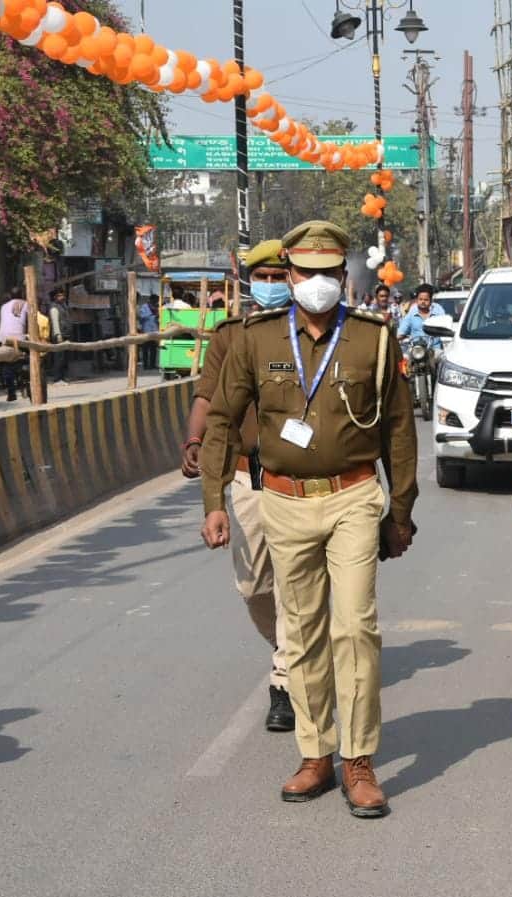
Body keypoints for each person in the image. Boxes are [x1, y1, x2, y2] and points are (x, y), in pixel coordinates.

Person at [200, 220, 417, 818]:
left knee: (355, 626)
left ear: (342, 275)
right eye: (305, 272)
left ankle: (359, 759)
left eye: (327, 273)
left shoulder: (374, 338)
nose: (315, 282)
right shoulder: (254, 338)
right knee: (300, 632)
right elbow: (221, 419)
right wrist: (215, 501)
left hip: (353, 497)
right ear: (291, 275)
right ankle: (315, 753)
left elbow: (400, 429)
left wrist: (401, 510)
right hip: (283, 501)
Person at [183, 241, 297, 733]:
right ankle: (290, 647)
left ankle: (285, 681)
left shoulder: (312, 333)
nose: (271, 285)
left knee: (294, 581)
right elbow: (207, 398)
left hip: (300, 478)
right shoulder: (231, 336)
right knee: (254, 586)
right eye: (263, 277)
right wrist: (195, 439)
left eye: (279, 276)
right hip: (250, 478)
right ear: (251, 283)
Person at [0, 288, 30, 402]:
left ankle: (11, 392)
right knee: (27, 358)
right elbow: (30, 323)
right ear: (22, 294)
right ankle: (25, 382)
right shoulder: (27, 304)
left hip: (3, 339)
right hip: (19, 338)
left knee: (7, 364)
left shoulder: (3, 306)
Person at [396, 283, 446, 350]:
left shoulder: (438, 310)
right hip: (416, 350)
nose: (423, 302)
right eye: (420, 299)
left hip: (435, 350)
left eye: (426, 300)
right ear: (417, 300)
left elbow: (446, 329)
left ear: (431, 300)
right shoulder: (412, 313)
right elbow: (401, 332)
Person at [47, 288, 70, 383]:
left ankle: (63, 376)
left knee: (64, 357)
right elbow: (55, 322)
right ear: (55, 297)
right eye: (60, 295)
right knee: (59, 357)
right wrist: (58, 335)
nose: (62, 297)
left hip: (65, 334)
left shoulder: (63, 306)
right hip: (59, 336)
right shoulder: (54, 308)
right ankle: (57, 378)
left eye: (63, 295)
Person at [138, 296, 160, 371]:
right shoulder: (144, 307)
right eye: (155, 300)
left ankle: (152, 364)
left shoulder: (157, 307)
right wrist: (152, 314)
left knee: (153, 349)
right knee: (145, 349)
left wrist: (157, 315)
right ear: (151, 300)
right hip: (146, 330)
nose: (156, 302)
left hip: (154, 331)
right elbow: (142, 317)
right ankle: (146, 365)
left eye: (157, 301)